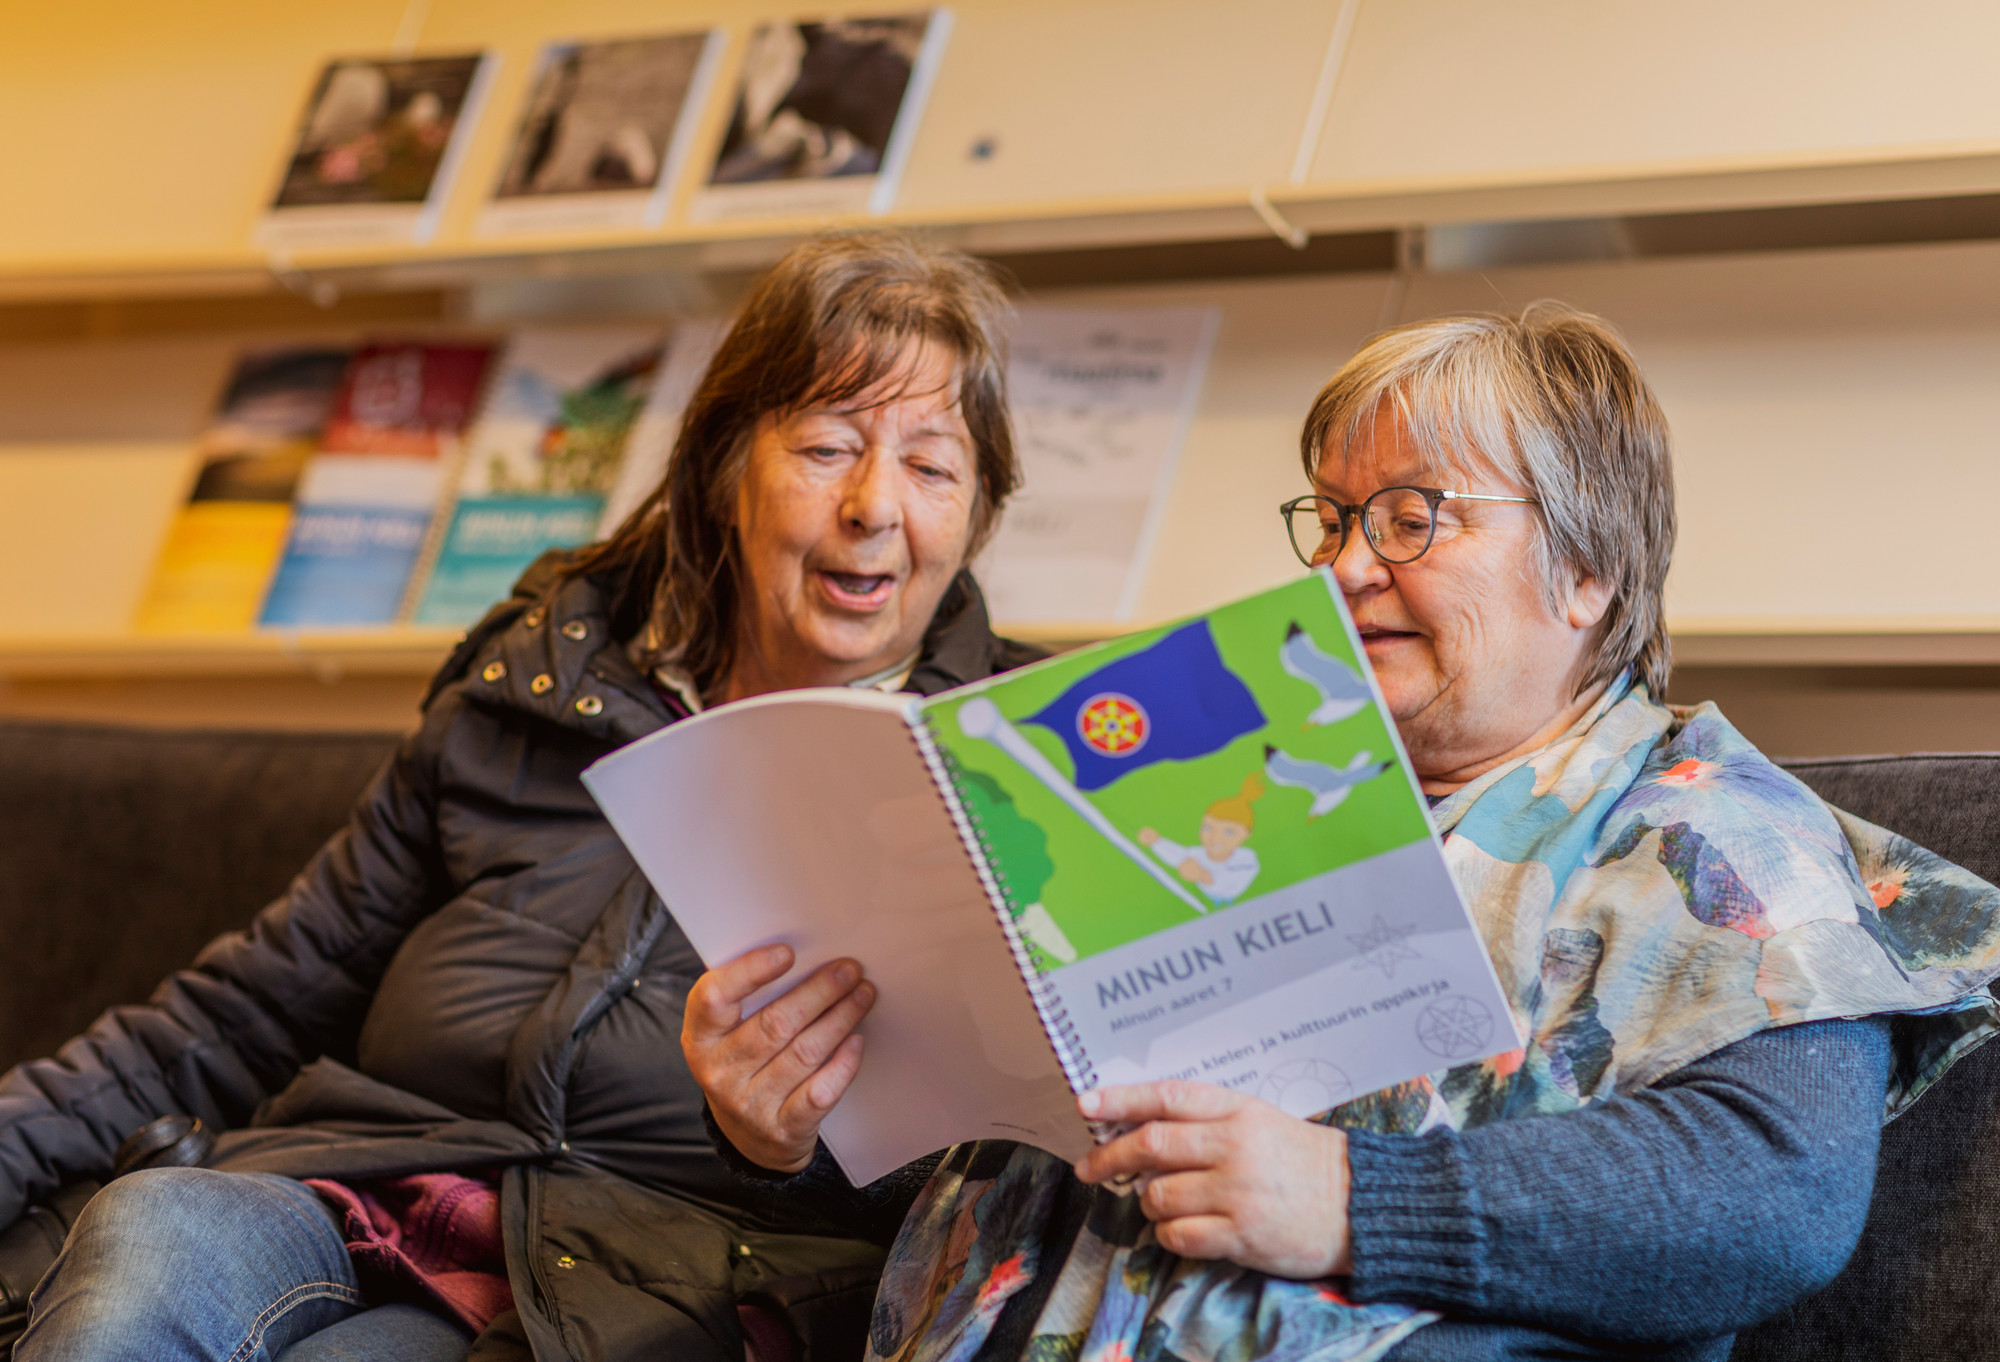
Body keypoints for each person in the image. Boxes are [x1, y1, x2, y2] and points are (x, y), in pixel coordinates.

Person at [683, 303, 2000, 1361]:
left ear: (1589, 568)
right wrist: (785, 1128)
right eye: (1334, 514)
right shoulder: (1216, 807)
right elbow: (993, 1179)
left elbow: (1773, 1197)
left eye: (1414, 516)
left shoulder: (1718, 837)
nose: (1347, 566)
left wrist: (1351, 1199)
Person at [0, 229, 1039, 1362]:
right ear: (728, 470)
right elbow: (245, 1008)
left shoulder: (1012, 778)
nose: (875, 506)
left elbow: (1013, 1188)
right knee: (152, 1224)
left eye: (932, 468)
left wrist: (768, 1151)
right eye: (829, 447)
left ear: (974, 516)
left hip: (663, 1278)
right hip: (355, 1189)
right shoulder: (537, 681)